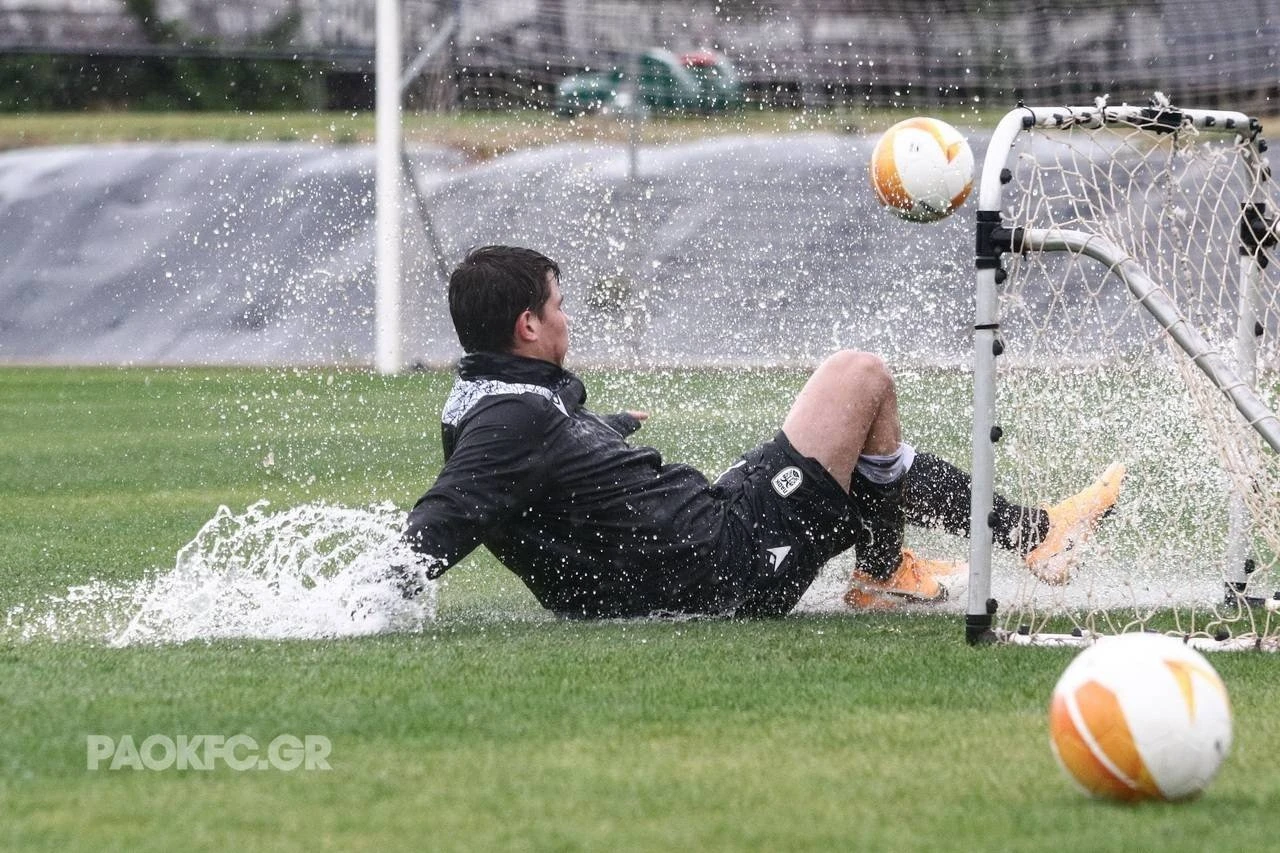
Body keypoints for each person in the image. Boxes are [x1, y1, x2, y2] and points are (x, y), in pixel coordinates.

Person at [400, 245, 1124, 618]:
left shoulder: (485, 399)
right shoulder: (512, 418)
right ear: (527, 324)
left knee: (855, 418)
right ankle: (1029, 537)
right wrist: (375, 590)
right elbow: (451, 508)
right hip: (726, 561)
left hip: (703, 543)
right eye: (558, 305)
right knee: (860, 376)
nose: (567, 317)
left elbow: (535, 485)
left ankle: (890, 571)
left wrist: (607, 429)